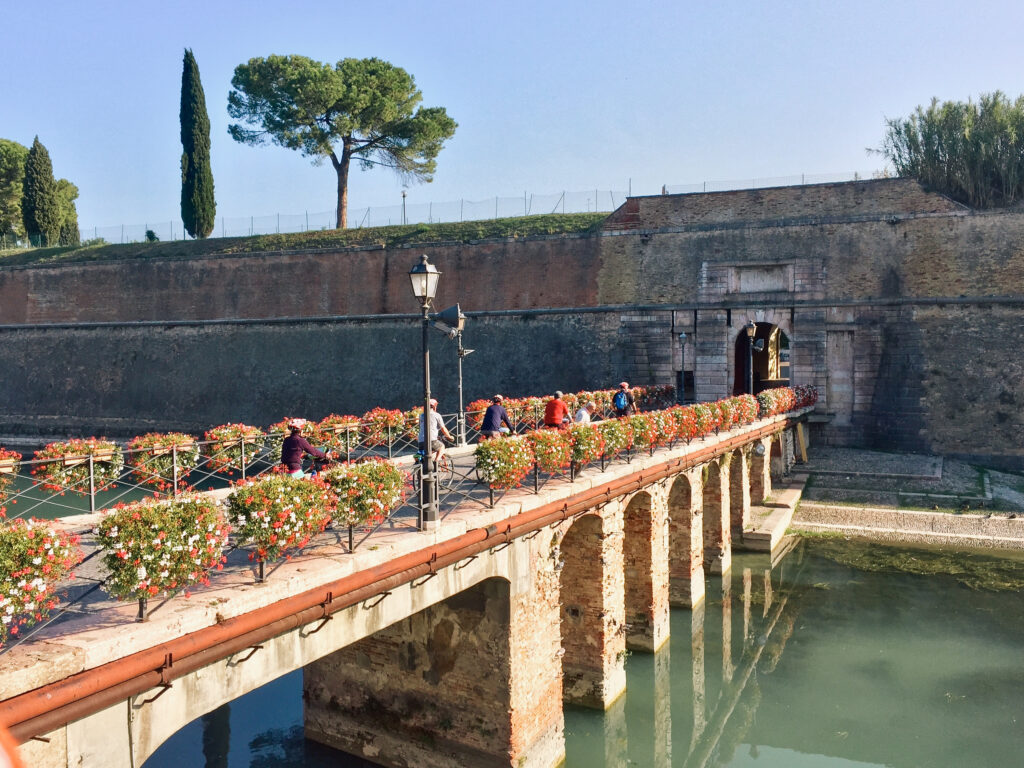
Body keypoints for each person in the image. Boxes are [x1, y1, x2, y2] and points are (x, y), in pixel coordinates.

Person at [418, 398, 454, 464]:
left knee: (425, 452)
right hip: (431, 440)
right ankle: (436, 462)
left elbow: (420, 427)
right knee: (441, 447)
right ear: (434, 406)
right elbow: (443, 429)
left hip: (420, 440)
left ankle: (422, 464)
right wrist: (449, 437)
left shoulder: (421, 416)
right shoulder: (437, 415)